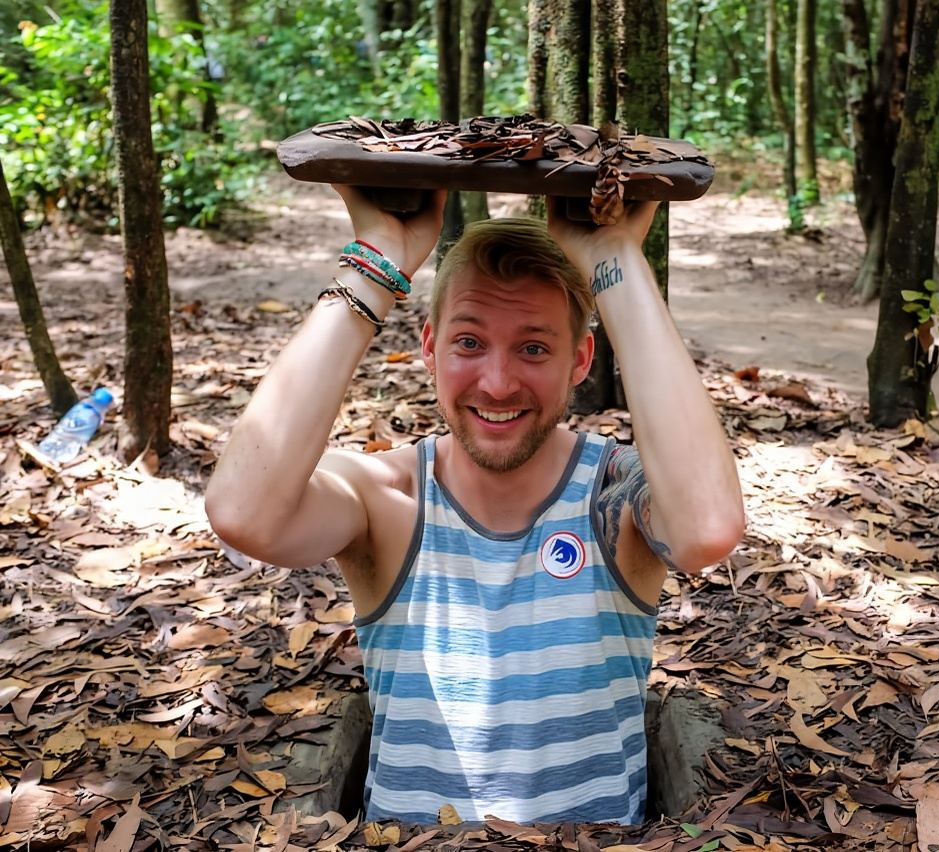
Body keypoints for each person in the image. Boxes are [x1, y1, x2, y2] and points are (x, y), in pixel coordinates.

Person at [205, 185, 745, 826]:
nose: (497, 381)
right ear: (429, 348)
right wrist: (376, 261)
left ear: (580, 359)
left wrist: (614, 259)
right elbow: (244, 510)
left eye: (535, 347)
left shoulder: (614, 491)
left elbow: (707, 527)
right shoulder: (389, 498)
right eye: (469, 342)